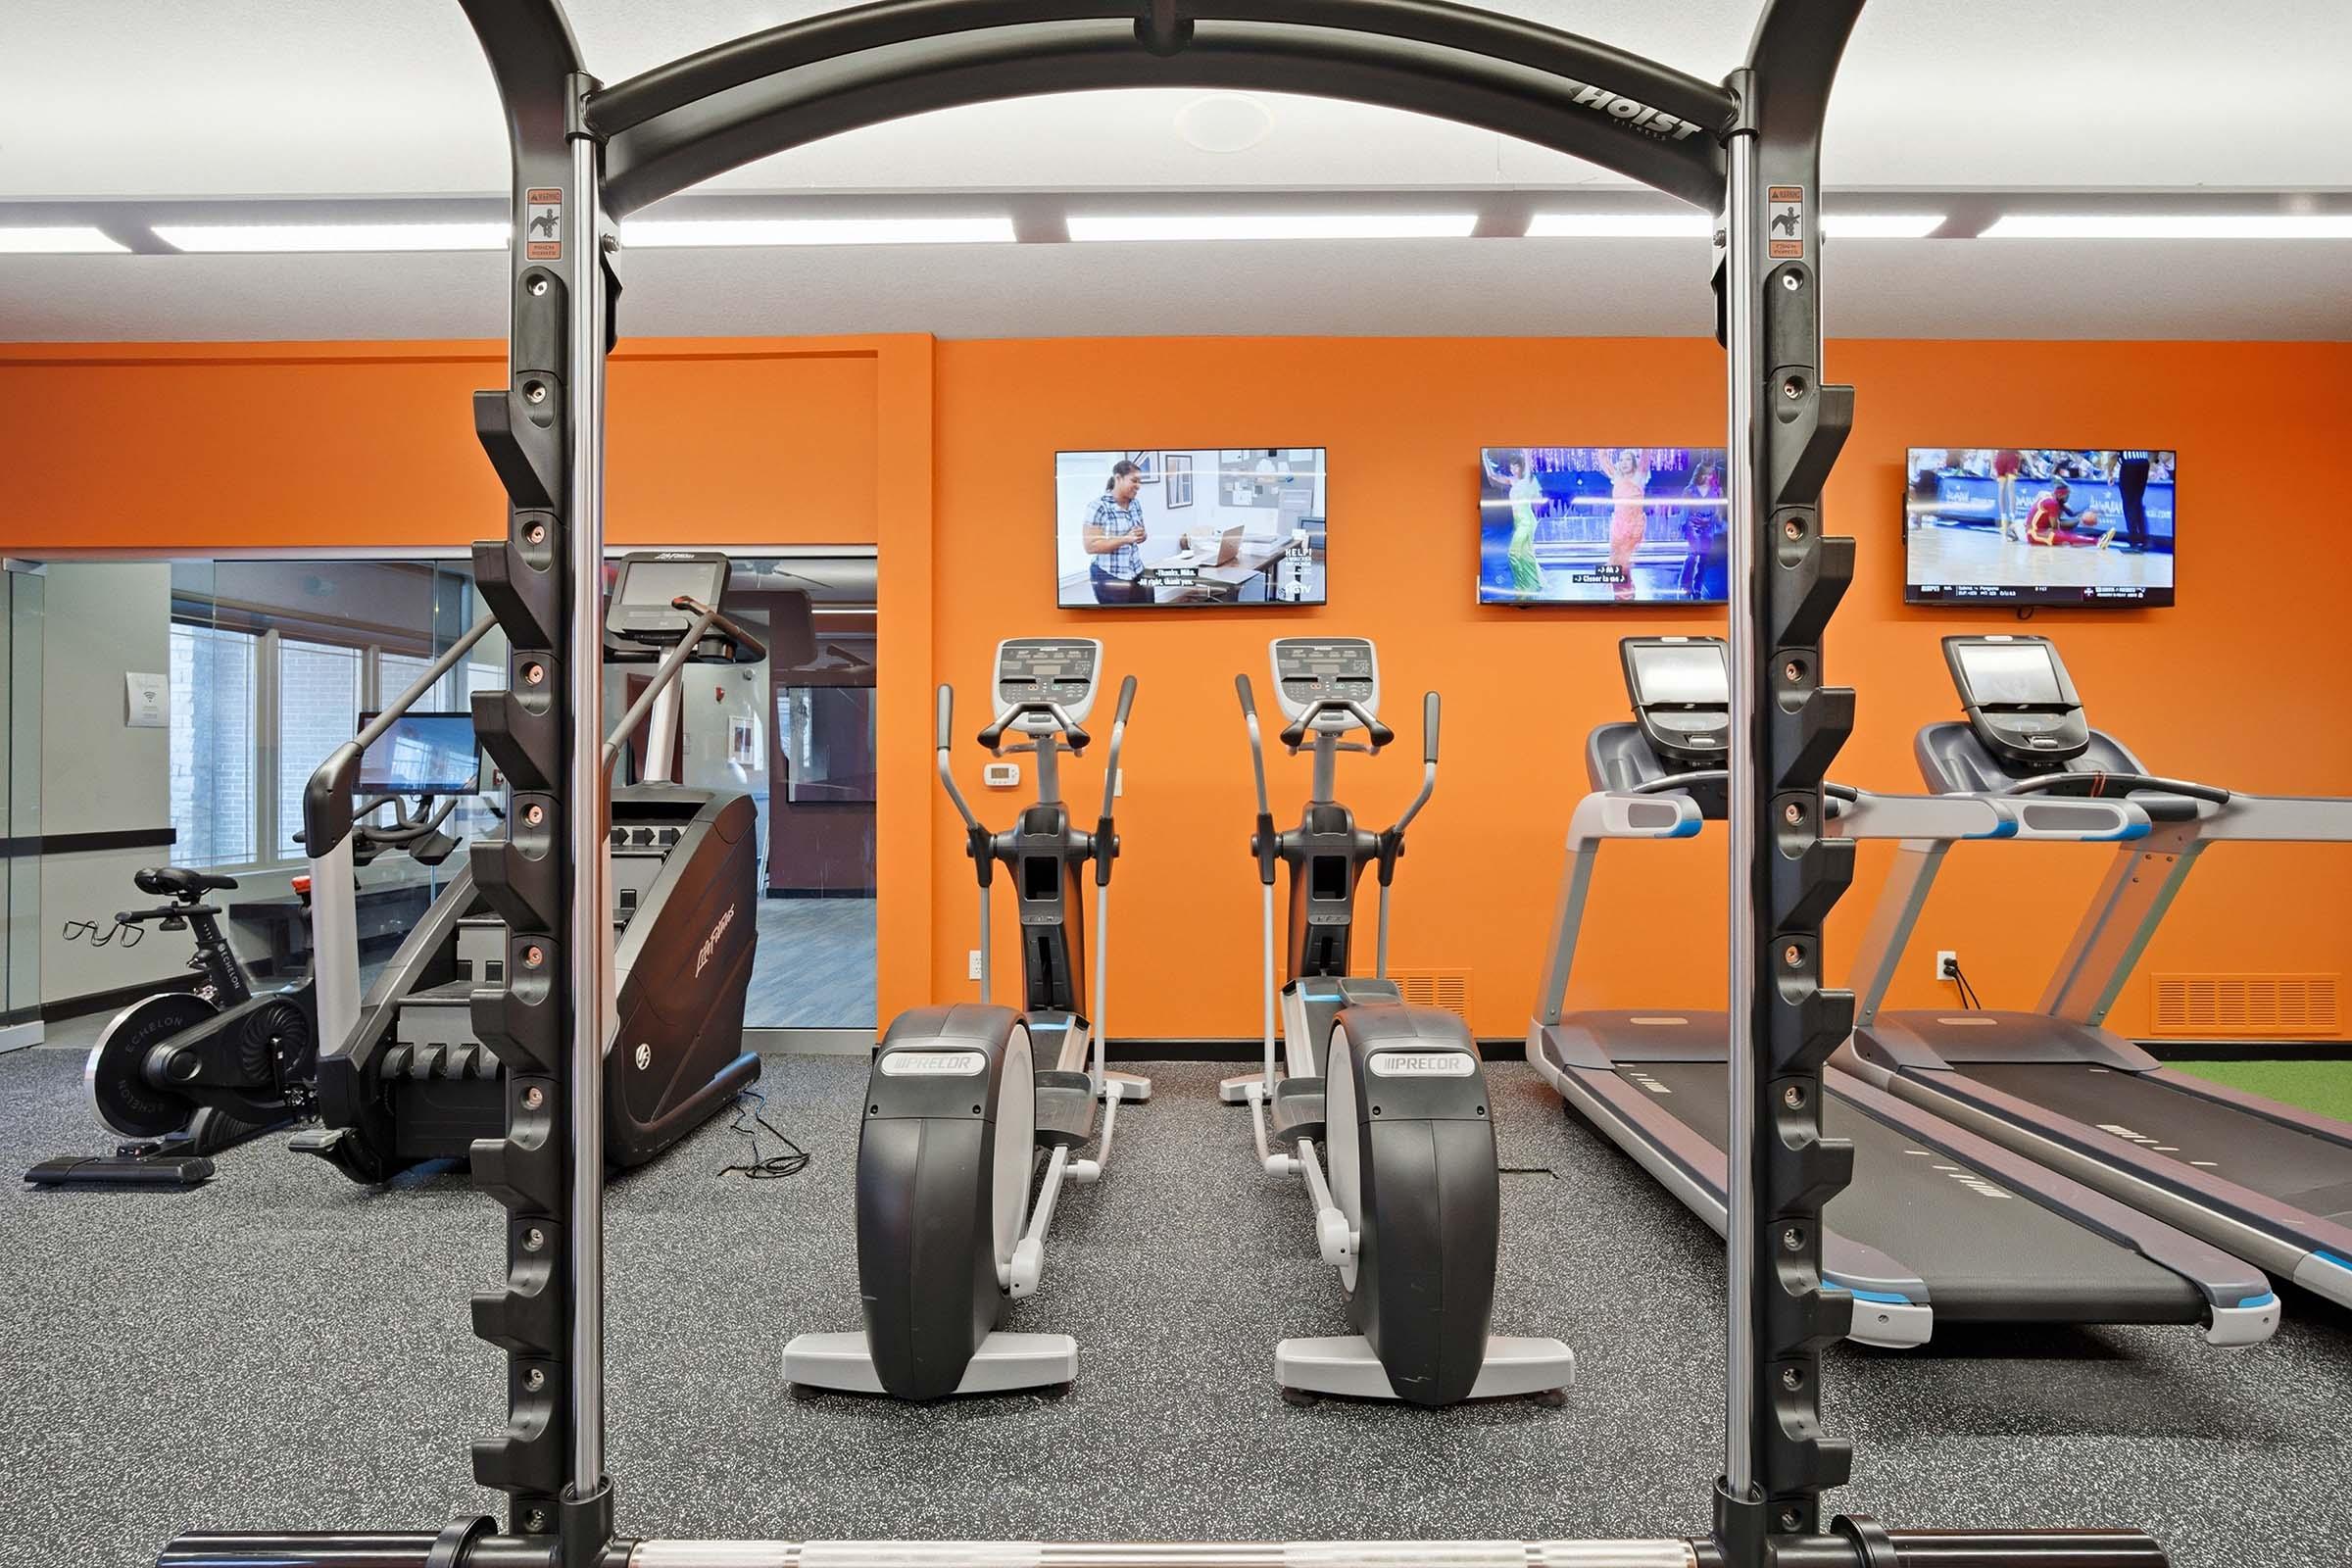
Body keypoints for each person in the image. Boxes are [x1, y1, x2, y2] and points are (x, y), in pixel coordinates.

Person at [1082, 460, 1151, 605]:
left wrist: (1142, 535)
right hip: (1109, 576)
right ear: (1118, 478)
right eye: (1134, 480)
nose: (1138, 486)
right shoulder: (1098, 507)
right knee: (1119, 623)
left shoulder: (1135, 504)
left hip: (1137, 570)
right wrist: (1126, 539)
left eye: (1140, 481)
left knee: (1147, 618)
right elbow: (1090, 546)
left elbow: (1141, 535)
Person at [1483, 449, 1545, 602]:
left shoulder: (1527, 479)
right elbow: (1491, 477)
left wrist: (1526, 451)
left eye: (1516, 466)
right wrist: (1484, 455)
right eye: (1511, 467)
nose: (1513, 469)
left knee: (1513, 554)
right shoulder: (1512, 481)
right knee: (1525, 554)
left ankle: (1522, 589)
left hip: (1527, 521)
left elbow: (1528, 462)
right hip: (1518, 522)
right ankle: (1533, 587)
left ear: (1521, 467)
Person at [1605, 448, 1652, 603]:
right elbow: (1602, 458)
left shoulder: (1639, 477)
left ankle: (1626, 597)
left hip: (1633, 527)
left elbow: (1646, 457)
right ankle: (1621, 595)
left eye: (1628, 459)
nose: (1624, 463)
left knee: (1623, 562)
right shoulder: (1617, 478)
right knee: (1615, 562)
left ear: (1634, 462)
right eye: (1621, 460)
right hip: (1617, 527)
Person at [2024, 478, 2117, 549]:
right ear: (2060, 495)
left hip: (2039, 531)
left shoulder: (2056, 501)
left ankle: (2094, 541)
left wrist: (2089, 512)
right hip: (2034, 534)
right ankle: (2097, 541)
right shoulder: (2051, 502)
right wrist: (2078, 523)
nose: (2068, 498)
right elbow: (2055, 527)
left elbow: (2072, 514)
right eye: (2067, 495)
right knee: (2063, 535)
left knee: (2066, 533)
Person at [2116, 449, 2153, 552]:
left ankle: (2133, 542)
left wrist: (2110, 473)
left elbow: (2112, 454)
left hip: (2129, 463)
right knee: (2137, 502)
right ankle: (2145, 540)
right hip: (2144, 462)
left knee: (2129, 504)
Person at [1990, 448, 2024, 540]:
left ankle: (2012, 519)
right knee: (2001, 489)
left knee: (2010, 486)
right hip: (2001, 456)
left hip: (2013, 455)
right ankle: (2003, 521)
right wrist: (1992, 467)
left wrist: (2031, 465)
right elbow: (1992, 449)